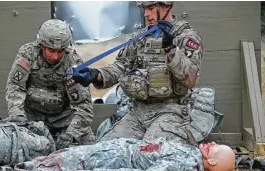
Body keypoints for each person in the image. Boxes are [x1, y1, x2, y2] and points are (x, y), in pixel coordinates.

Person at [70, 1, 205, 142]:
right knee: (107, 149)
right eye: (144, 9)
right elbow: (120, 67)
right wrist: (95, 75)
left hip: (171, 111)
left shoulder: (186, 37)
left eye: (151, 8)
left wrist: (170, 50)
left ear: (166, 6)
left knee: (149, 153)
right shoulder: (141, 37)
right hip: (137, 111)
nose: (146, 14)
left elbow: (191, 79)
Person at [15, 137, 235, 171]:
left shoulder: (180, 166)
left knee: (44, 167)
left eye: (215, 147)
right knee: (51, 159)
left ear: (212, 161)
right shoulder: (190, 155)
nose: (211, 143)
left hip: (104, 161)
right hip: (107, 152)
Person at [5, 19, 95, 150]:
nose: (55, 56)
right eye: (51, 50)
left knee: (89, 146)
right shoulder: (28, 54)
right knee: (14, 148)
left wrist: (71, 134)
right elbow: (15, 86)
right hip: (31, 117)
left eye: (60, 51)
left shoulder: (72, 63)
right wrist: (17, 116)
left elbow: (83, 105)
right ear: (41, 46)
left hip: (63, 118)